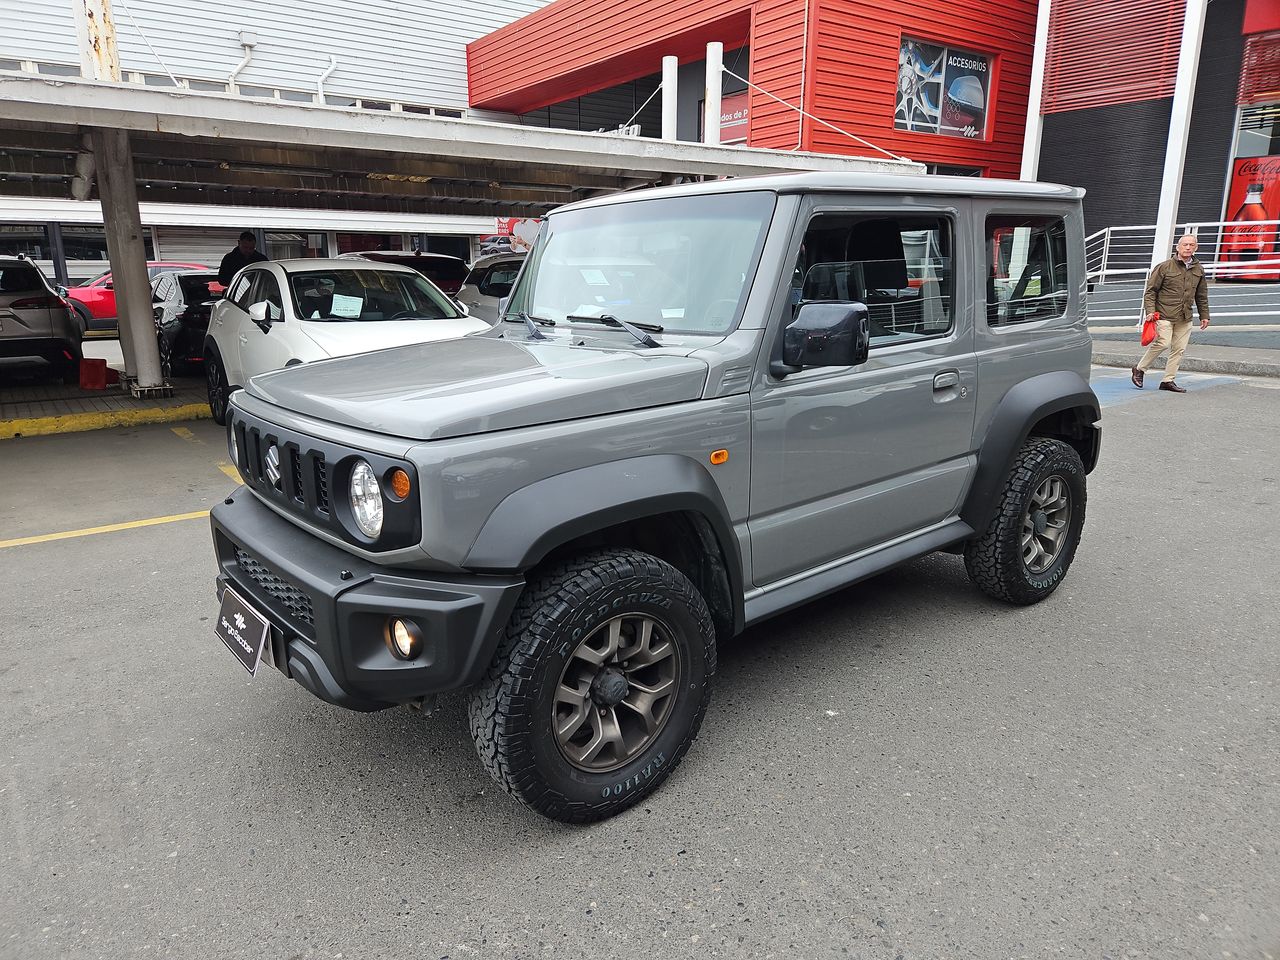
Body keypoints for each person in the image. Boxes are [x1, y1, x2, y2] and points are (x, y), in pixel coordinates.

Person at [1131, 234, 1211, 393]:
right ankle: (1140, 369)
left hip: (1185, 316)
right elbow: (1150, 292)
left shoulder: (1199, 269)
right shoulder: (1165, 267)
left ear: (1196, 248)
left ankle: (1168, 380)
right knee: (1163, 343)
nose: (1188, 248)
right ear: (1178, 247)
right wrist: (1150, 311)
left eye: (1191, 245)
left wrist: (1204, 315)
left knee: (1179, 349)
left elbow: (1201, 295)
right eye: (1185, 244)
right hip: (1164, 314)